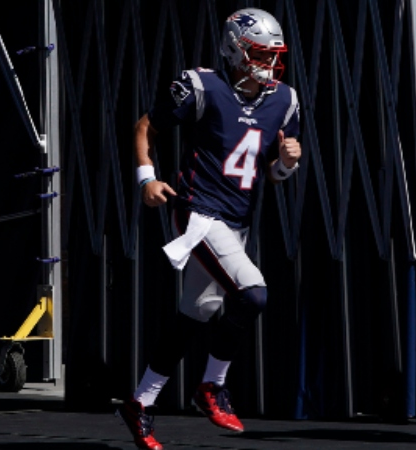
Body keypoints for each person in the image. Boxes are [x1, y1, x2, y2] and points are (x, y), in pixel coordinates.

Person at [116, 8, 302, 450]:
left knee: (194, 314)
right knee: (254, 293)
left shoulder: (284, 100)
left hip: (237, 220)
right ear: (235, 50)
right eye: (260, 53)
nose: (270, 64)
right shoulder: (203, 85)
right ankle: (212, 386)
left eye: (274, 55)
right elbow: (146, 126)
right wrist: (148, 179)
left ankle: (140, 403)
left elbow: (269, 175)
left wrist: (288, 164)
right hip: (200, 213)